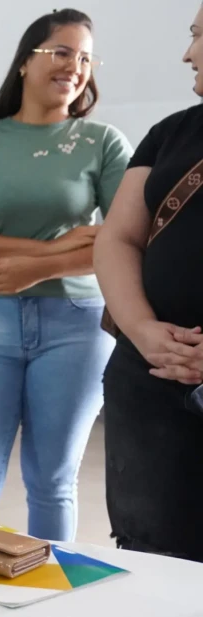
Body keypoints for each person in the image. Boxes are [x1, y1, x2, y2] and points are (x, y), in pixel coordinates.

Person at [0, 9, 130, 541]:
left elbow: (123, 240)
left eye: (86, 57)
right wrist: (46, 252)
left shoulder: (103, 142)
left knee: (53, 483)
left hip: (77, 324)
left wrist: (39, 269)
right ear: (26, 62)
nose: (75, 66)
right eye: (61, 52)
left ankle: (50, 607)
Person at [94, 3, 203, 561]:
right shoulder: (171, 134)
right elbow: (117, 239)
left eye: (198, 37)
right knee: (149, 554)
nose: (188, 53)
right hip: (151, 379)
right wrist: (140, 328)